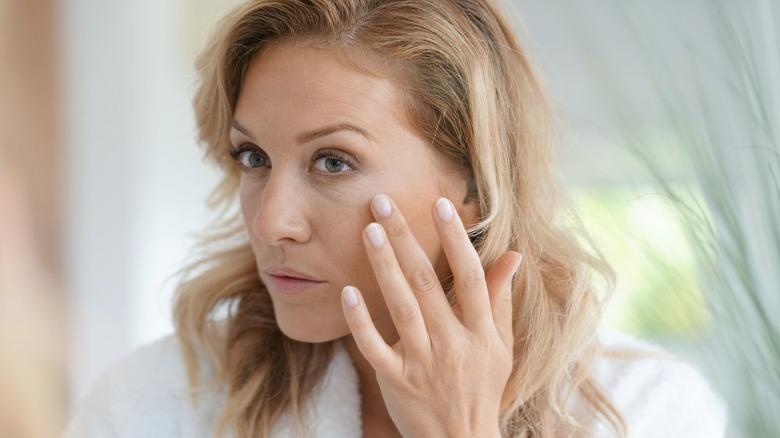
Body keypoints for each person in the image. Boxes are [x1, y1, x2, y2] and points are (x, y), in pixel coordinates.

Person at [64, 0, 726, 436]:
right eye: (253, 156)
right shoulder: (158, 402)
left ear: (474, 183)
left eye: (333, 162)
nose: (272, 223)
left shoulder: (646, 411)